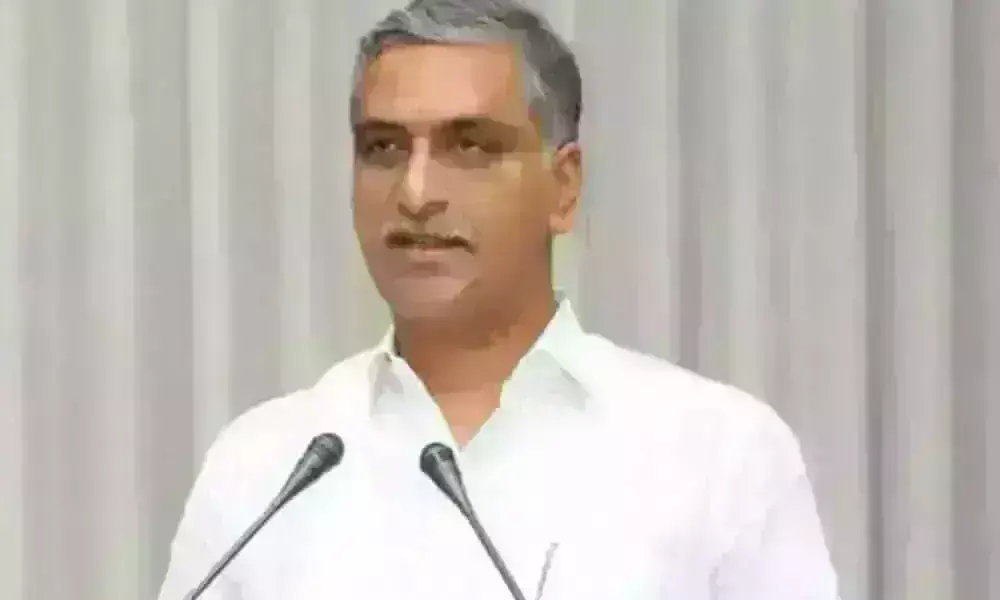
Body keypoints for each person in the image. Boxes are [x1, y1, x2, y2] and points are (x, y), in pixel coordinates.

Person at [158, 0, 840, 598]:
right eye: (384, 148)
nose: (416, 192)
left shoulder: (718, 454)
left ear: (563, 187)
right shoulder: (268, 469)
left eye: (471, 147)